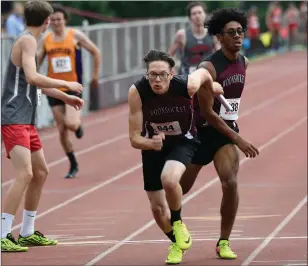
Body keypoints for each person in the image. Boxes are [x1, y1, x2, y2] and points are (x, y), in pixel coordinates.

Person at [1, 0, 84, 252]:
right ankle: (4, 234)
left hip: (26, 118)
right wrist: (67, 84)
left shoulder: (30, 41)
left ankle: (26, 232)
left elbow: (35, 82)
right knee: (25, 173)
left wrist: (65, 96)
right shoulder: (27, 41)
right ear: (47, 21)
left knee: (40, 172)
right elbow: (32, 77)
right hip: (14, 116)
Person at [128, 49, 223, 264]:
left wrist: (211, 86)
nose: (157, 79)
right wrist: (150, 143)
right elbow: (134, 138)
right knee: (158, 209)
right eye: (153, 75)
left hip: (183, 140)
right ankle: (176, 242)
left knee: (169, 179)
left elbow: (204, 74)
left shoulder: (187, 85)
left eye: (162, 74)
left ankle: (178, 223)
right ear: (146, 75)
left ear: (172, 74)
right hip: (153, 145)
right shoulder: (137, 92)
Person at [180, 8, 260, 260]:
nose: (237, 36)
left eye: (240, 31)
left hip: (223, 135)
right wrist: (239, 138)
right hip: (201, 132)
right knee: (178, 190)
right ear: (219, 36)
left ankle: (223, 241)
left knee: (231, 183)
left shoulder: (244, 62)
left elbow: (229, 107)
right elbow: (209, 114)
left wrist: (232, 133)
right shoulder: (209, 68)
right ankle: (172, 220)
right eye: (231, 33)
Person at [37, 4, 101, 179]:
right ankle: (73, 163)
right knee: (62, 129)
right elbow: (36, 61)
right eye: (53, 20)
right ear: (49, 22)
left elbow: (96, 51)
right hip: (54, 89)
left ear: (65, 20)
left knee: (71, 124)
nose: (57, 22)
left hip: (73, 87)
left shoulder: (75, 36)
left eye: (59, 19)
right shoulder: (46, 40)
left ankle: (78, 126)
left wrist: (95, 76)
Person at [168, 1, 219, 75]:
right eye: (194, 14)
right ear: (190, 17)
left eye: (199, 12)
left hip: (207, 77)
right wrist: (173, 73)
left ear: (205, 14)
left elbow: (221, 56)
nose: (197, 16)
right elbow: (169, 56)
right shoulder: (182, 35)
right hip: (186, 78)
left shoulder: (213, 34)